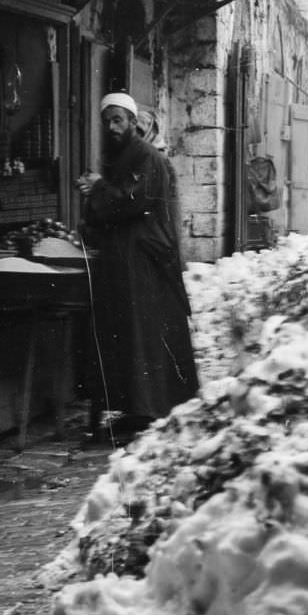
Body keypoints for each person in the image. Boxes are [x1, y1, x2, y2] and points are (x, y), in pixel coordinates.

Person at [77, 92, 198, 438]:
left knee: (142, 332)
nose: (112, 127)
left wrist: (99, 187)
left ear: (133, 123)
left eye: (119, 120)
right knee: (129, 333)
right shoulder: (120, 156)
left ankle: (148, 408)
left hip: (143, 257)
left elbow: (132, 202)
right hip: (126, 257)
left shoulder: (144, 156)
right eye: (107, 121)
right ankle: (135, 408)